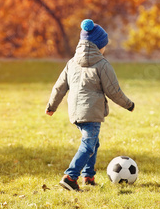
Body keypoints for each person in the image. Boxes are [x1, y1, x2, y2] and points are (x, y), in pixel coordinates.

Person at [45, 19, 135, 191]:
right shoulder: (102, 65)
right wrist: (128, 104)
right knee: (88, 145)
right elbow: (114, 91)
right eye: (104, 45)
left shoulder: (71, 63)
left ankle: (89, 176)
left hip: (75, 112)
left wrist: (51, 106)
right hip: (91, 112)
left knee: (93, 143)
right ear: (98, 46)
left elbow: (59, 87)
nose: (105, 49)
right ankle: (70, 177)